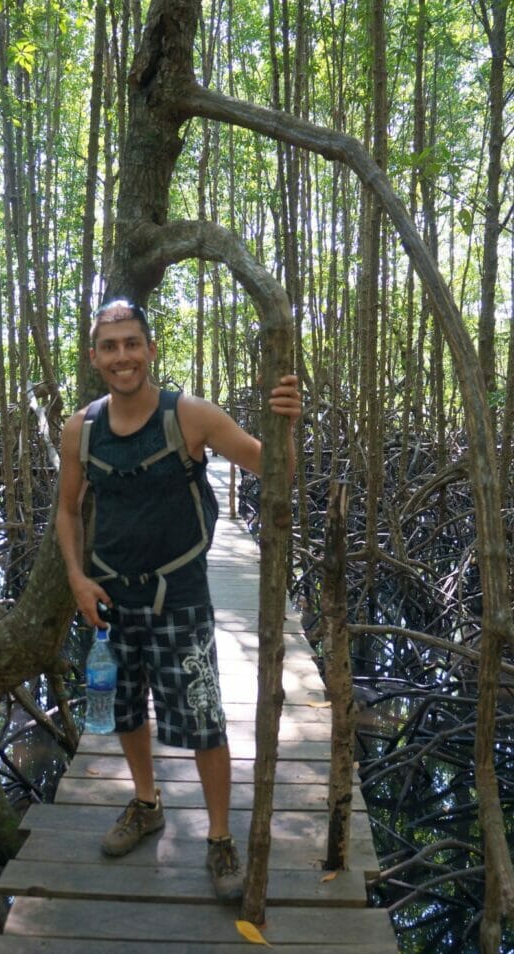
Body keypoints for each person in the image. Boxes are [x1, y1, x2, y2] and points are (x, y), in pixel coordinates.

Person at [56, 299, 301, 902]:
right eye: (110, 347)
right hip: (110, 596)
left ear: (150, 349)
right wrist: (77, 580)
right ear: (95, 358)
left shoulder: (190, 416)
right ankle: (146, 804)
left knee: (202, 717)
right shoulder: (80, 429)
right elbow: (66, 510)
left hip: (180, 595)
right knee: (125, 711)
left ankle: (219, 839)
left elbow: (276, 470)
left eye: (131, 344)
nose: (122, 357)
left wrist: (287, 424)